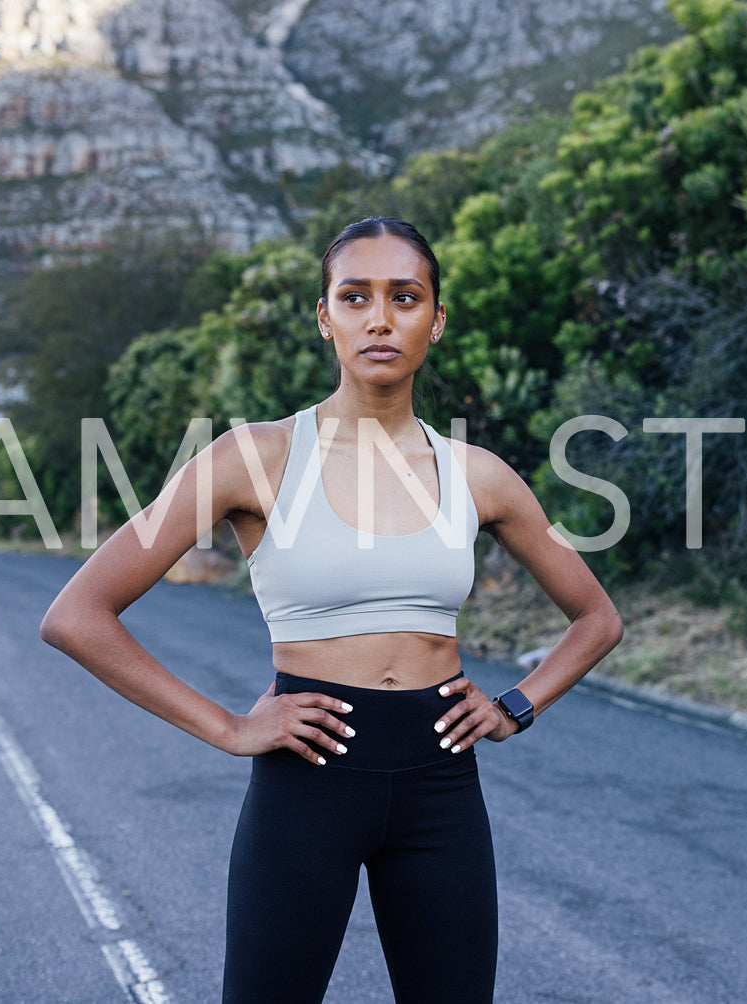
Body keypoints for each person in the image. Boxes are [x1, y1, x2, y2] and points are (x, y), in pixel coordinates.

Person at [38, 216, 625, 1003]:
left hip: (441, 784)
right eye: (354, 297)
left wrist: (515, 705)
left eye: (404, 297)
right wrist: (228, 727)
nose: (379, 318)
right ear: (325, 317)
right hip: (306, 782)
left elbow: (596, 619)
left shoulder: (478, 476)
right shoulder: (255, 457)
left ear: (436, 320)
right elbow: (78, 614)